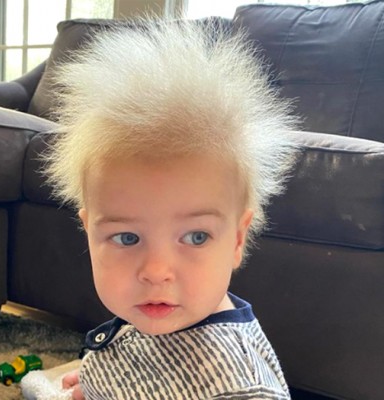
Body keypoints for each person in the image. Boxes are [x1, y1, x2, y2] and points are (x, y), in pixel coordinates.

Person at [43, 19, 300, 399]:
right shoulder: (161, 314)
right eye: (127, 237)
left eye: (196, 237)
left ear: (237, 239)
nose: (156, 272)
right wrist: (104, 382)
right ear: (89, 231)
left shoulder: (238, 389)